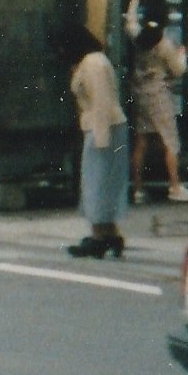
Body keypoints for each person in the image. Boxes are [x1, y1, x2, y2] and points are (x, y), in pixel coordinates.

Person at [68, 23, 131, 259]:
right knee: (106, 184)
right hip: (109, 126)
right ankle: (110, 233)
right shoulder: (96, 60)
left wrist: (100, 138)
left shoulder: (92, 63)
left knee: (95, 182)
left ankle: (98, 237)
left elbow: (101, 100)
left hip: (102, 128)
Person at [126, 0, 188, 205]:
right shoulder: (165, 44)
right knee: (170, 141)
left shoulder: (139, 36)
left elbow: (130, 21)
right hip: (158, 94)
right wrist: (183, 54)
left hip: (139, 92)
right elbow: (178, 70)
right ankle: (175, 187)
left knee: (141, 141)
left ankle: (137, 190)